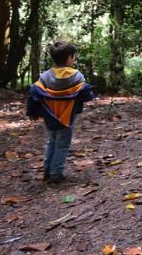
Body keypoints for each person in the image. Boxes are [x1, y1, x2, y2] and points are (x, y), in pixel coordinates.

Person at [27, 41, 95, 184]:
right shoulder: (77, 76)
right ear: (70, 58)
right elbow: (86, 95)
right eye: (73, 56)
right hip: (67, 116)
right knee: (62, 144)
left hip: (49, 115)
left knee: (51, 141)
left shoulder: (45, 76)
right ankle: (56, 173)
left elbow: (36, 93)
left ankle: (47, 170)